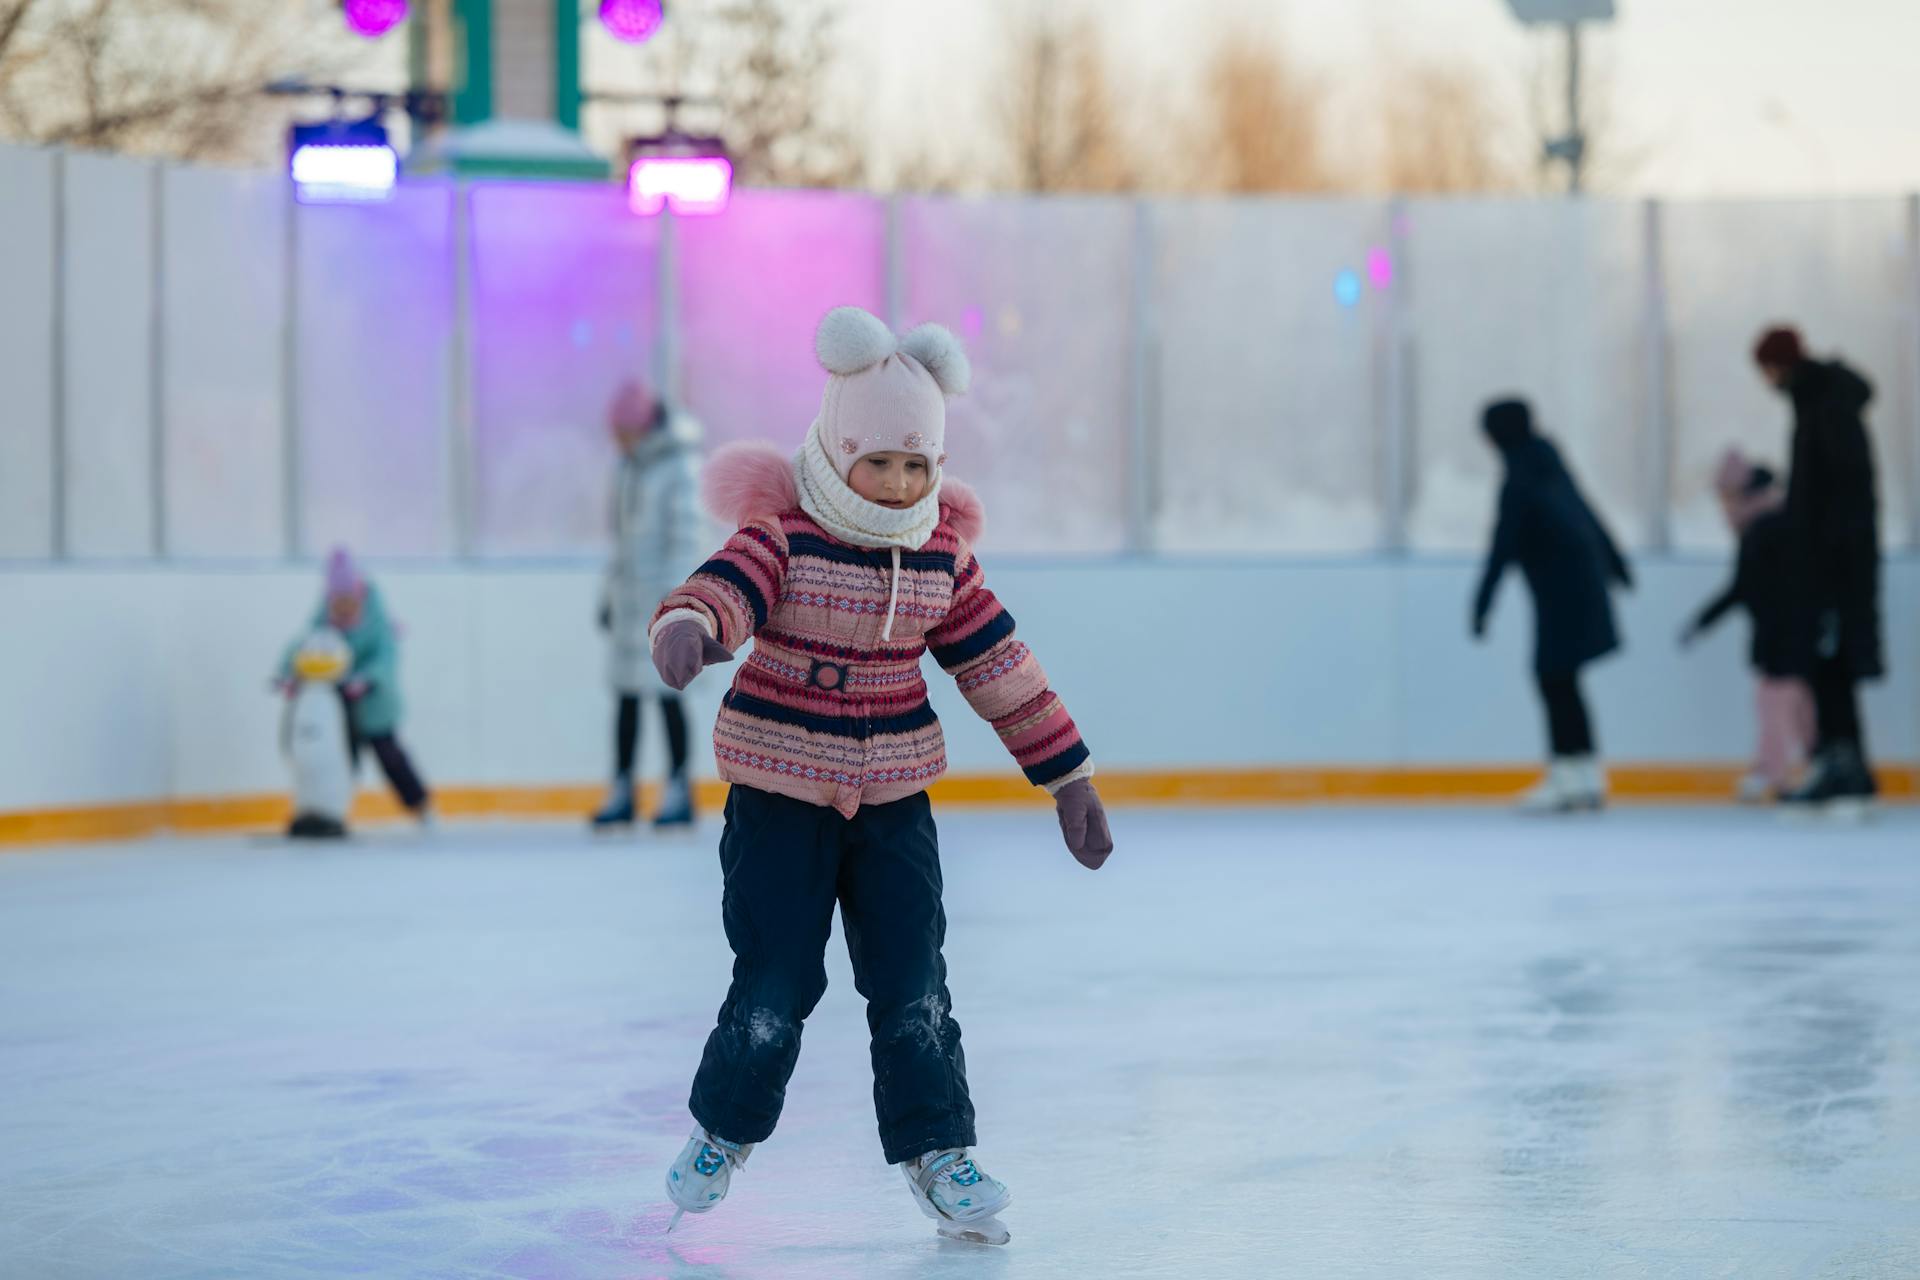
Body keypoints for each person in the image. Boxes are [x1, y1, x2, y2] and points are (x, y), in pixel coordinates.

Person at [647, 307, 1113, 1246]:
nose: (900, 482)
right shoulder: (786, 536)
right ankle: (722, 1131)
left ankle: (941, 1152)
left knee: (914, 982)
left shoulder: (940, 556)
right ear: (836, 448)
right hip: (781, 797)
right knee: (775, 981)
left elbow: (1000, 666)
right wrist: (691, 630)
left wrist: (1067, 774)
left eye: (918, 465)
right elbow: (721, 587)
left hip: (895, 803)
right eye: (880, 462)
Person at [1471, 398, 1633, 813]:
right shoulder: (1548, 466)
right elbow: (1586, 509)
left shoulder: (1522, 477)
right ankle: (1583, 774)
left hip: (1561, 590)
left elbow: (1502, 543)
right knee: (1562, 680)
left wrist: (1483, 601)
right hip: (1576, 584)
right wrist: (1615, 561)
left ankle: (1568, 776)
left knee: (1552, 678)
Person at [1752, 326, 1884, 811]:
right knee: (1830, 661)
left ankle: (1845, 765)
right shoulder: (1817, 402)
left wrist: (1823, 553)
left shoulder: (1827, 405)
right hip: (1830, 557)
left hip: (1836, 562)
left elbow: (1842, 489)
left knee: (1834, 661)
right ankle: (1840, 761)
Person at [591, 378, 707, 830]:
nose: (617, 442)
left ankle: (679, 787)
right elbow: (619, 542)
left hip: (661, 603)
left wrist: (678, 604)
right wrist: (609, 595)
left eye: (622, 433)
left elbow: (685, 540)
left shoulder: (678, 469)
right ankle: (622, 787)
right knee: (625, 696)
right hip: (628, 603)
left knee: (666, 696)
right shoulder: (628, 469)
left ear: (639, 428)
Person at [1680, 450, 1814, 802]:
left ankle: (1776, 773)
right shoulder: (1774, 522)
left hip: (1784, 634)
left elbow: (1744, 587)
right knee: (1796, 703)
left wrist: (1702, 622)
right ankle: (1796, 767)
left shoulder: (1765, 528)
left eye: (1727, 497)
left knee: (1777, 703)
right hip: (1790, 632)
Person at [278, 548, 432, 826]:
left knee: (390, 756)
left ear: (359, 594)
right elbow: (303, 646)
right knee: (337, 759)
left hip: (374, 706)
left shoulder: (378, 622)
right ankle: (330, 810)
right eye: (337, 602)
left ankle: (420, 806)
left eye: (348, 601)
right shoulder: (324, 617)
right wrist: (288, 674)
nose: (343, 607)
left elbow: (387, 658)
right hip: (338, 707)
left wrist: (368, 679)